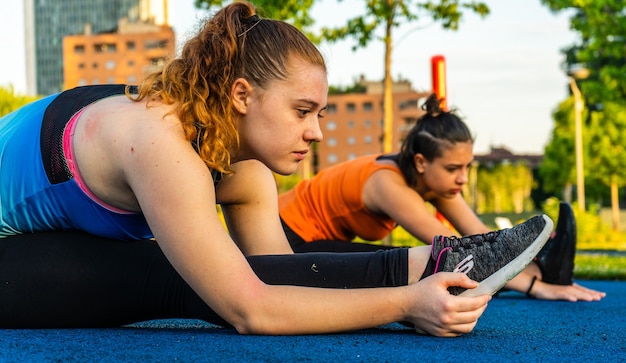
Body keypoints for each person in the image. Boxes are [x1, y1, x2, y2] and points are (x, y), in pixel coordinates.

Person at [0, 2, 553, 336]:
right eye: (302, 112)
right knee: (187, 278)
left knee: (228, 268)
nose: (314, 132)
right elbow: (249, 307)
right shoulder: (160, 142)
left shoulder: (242, 172)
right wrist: (409, 303)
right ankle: (435, 264)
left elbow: (279, 272)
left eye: (320, 113)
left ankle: (441, 260)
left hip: (50, 237)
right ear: (241, 95)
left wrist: (405, 293)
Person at [279, 94, 605, 302]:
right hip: (286, 239)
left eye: (466, 167)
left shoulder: (436, 181)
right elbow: (453, 255)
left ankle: (546, 264)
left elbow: (484, 241)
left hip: (318, 241)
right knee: (406, 262)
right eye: (453, 168)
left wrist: (532, 261)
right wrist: (538, 287)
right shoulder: (386, 184)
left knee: (421, 261)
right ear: (421, 162)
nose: (462, 178)